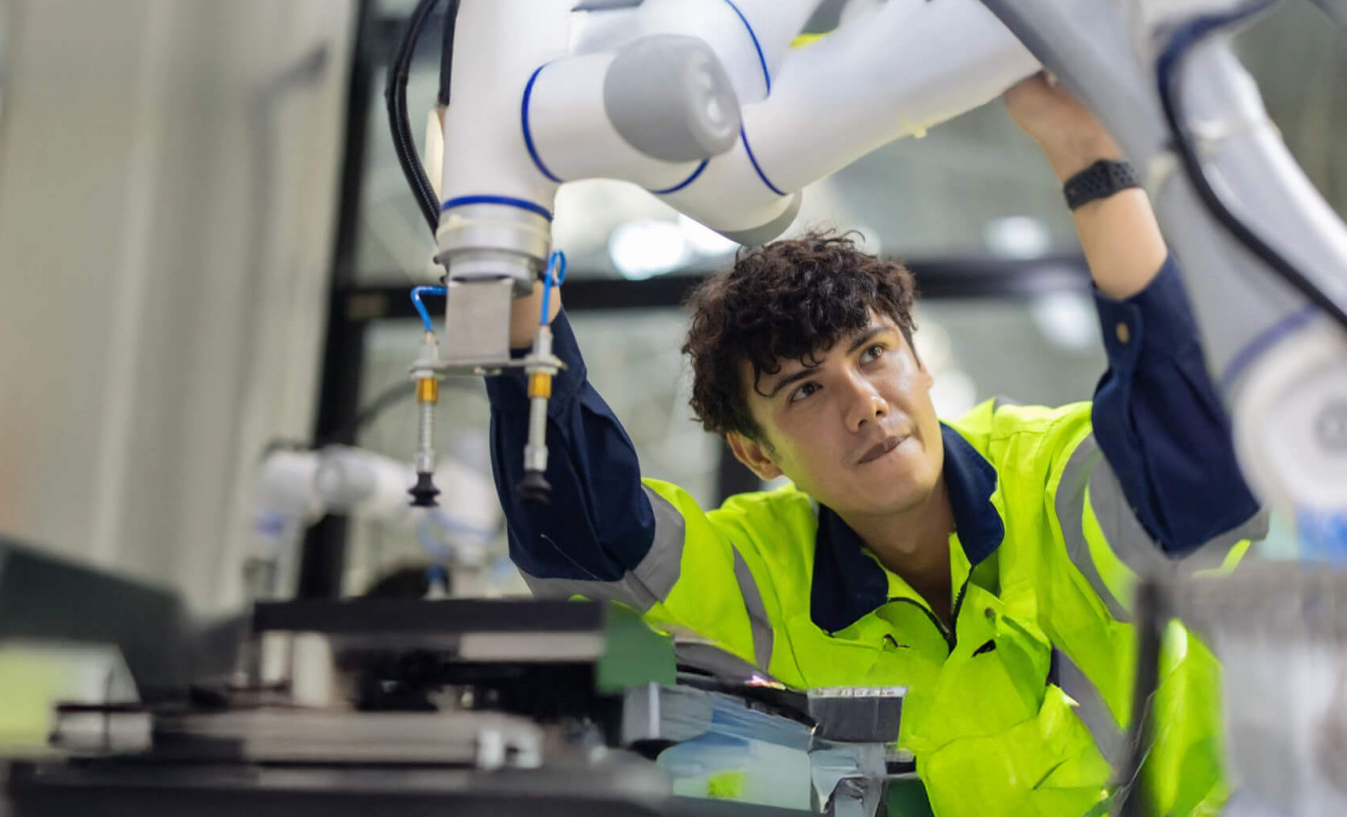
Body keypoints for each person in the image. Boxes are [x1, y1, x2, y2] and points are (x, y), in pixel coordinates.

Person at [486, 72, 1264, 817]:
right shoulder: (755, 576)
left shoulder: (1052, 480)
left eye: (872, 354)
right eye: (805, 389)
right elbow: (587, 544)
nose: (864, 403)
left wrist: (1086, 154)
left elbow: (1196, 474)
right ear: (757, 455)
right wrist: (514, 272)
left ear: (920, 363)